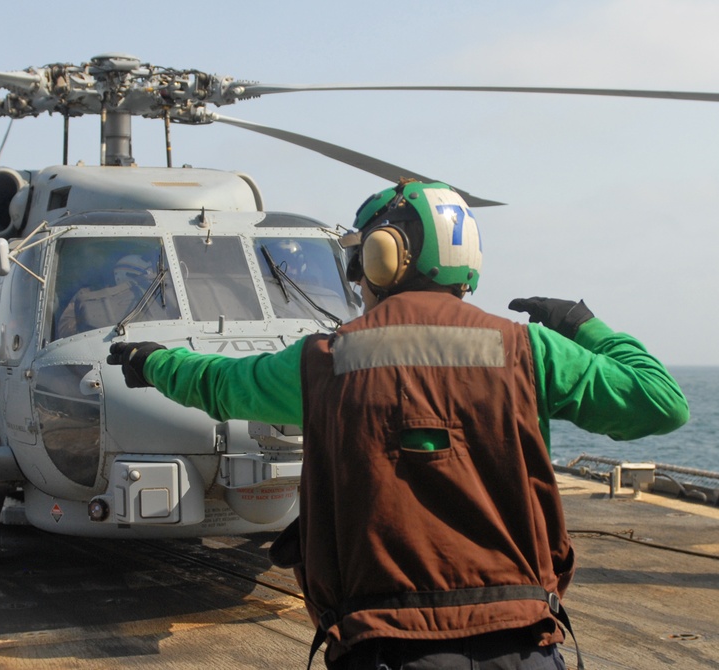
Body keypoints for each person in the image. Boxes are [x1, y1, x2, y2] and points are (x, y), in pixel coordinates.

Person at [107, 180, 689, 669]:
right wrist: (585, 325)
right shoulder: (530, 351)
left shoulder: (325, 360)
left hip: (381, 644)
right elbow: (663, 403)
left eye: (359, 259)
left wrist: (152, 361)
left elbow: (221, 384)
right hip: (518, 639)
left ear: (385, 257)